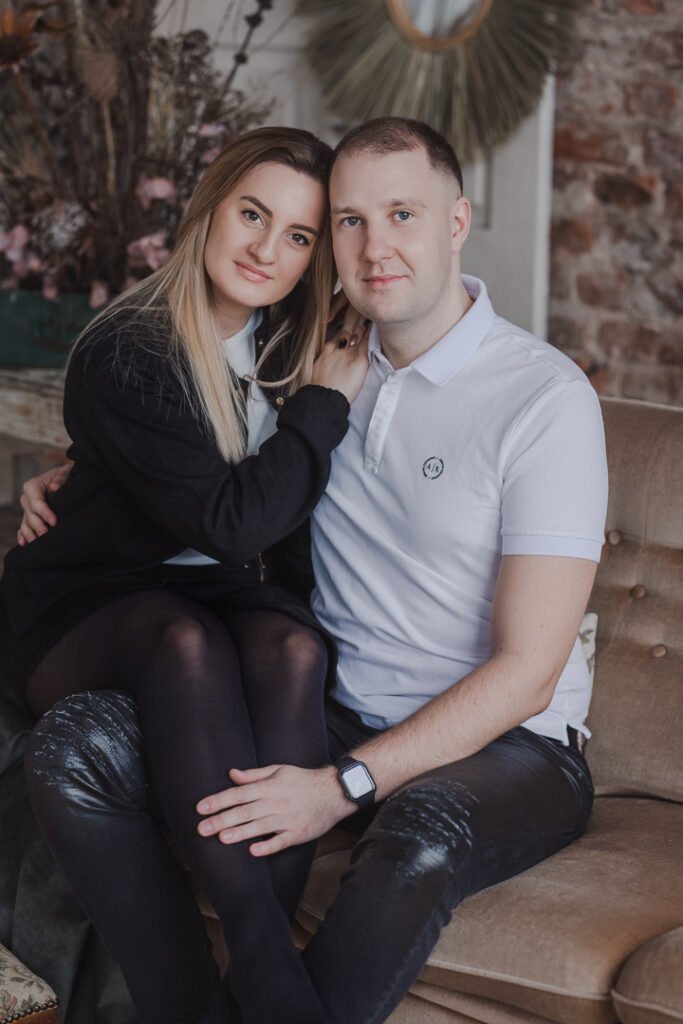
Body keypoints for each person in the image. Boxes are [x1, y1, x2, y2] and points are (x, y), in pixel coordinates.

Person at [17, 117, 608, 1024]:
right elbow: (188, 437)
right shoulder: (315, 362)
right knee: (77, 745)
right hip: (335, 710)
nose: (374, 248)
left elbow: (528, 674)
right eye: (348, 222)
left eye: (402, 214)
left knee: (420, 829)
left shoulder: (542, 399)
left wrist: (342, 786)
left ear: (456, 222)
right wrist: (78, 473)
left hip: (508, 747)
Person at [0, 125, 371, 1024]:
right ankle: (265, 976)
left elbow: (258, 534)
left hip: (215, 586)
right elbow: (231, 519)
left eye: (297, 235)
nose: (265, 249)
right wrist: (323, 407)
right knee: (181, 642)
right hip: (83, 600)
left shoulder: (291, 346)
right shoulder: (128, 346)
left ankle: (234, 996)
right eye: (252, 214)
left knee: (290, 649)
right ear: (209, 208)